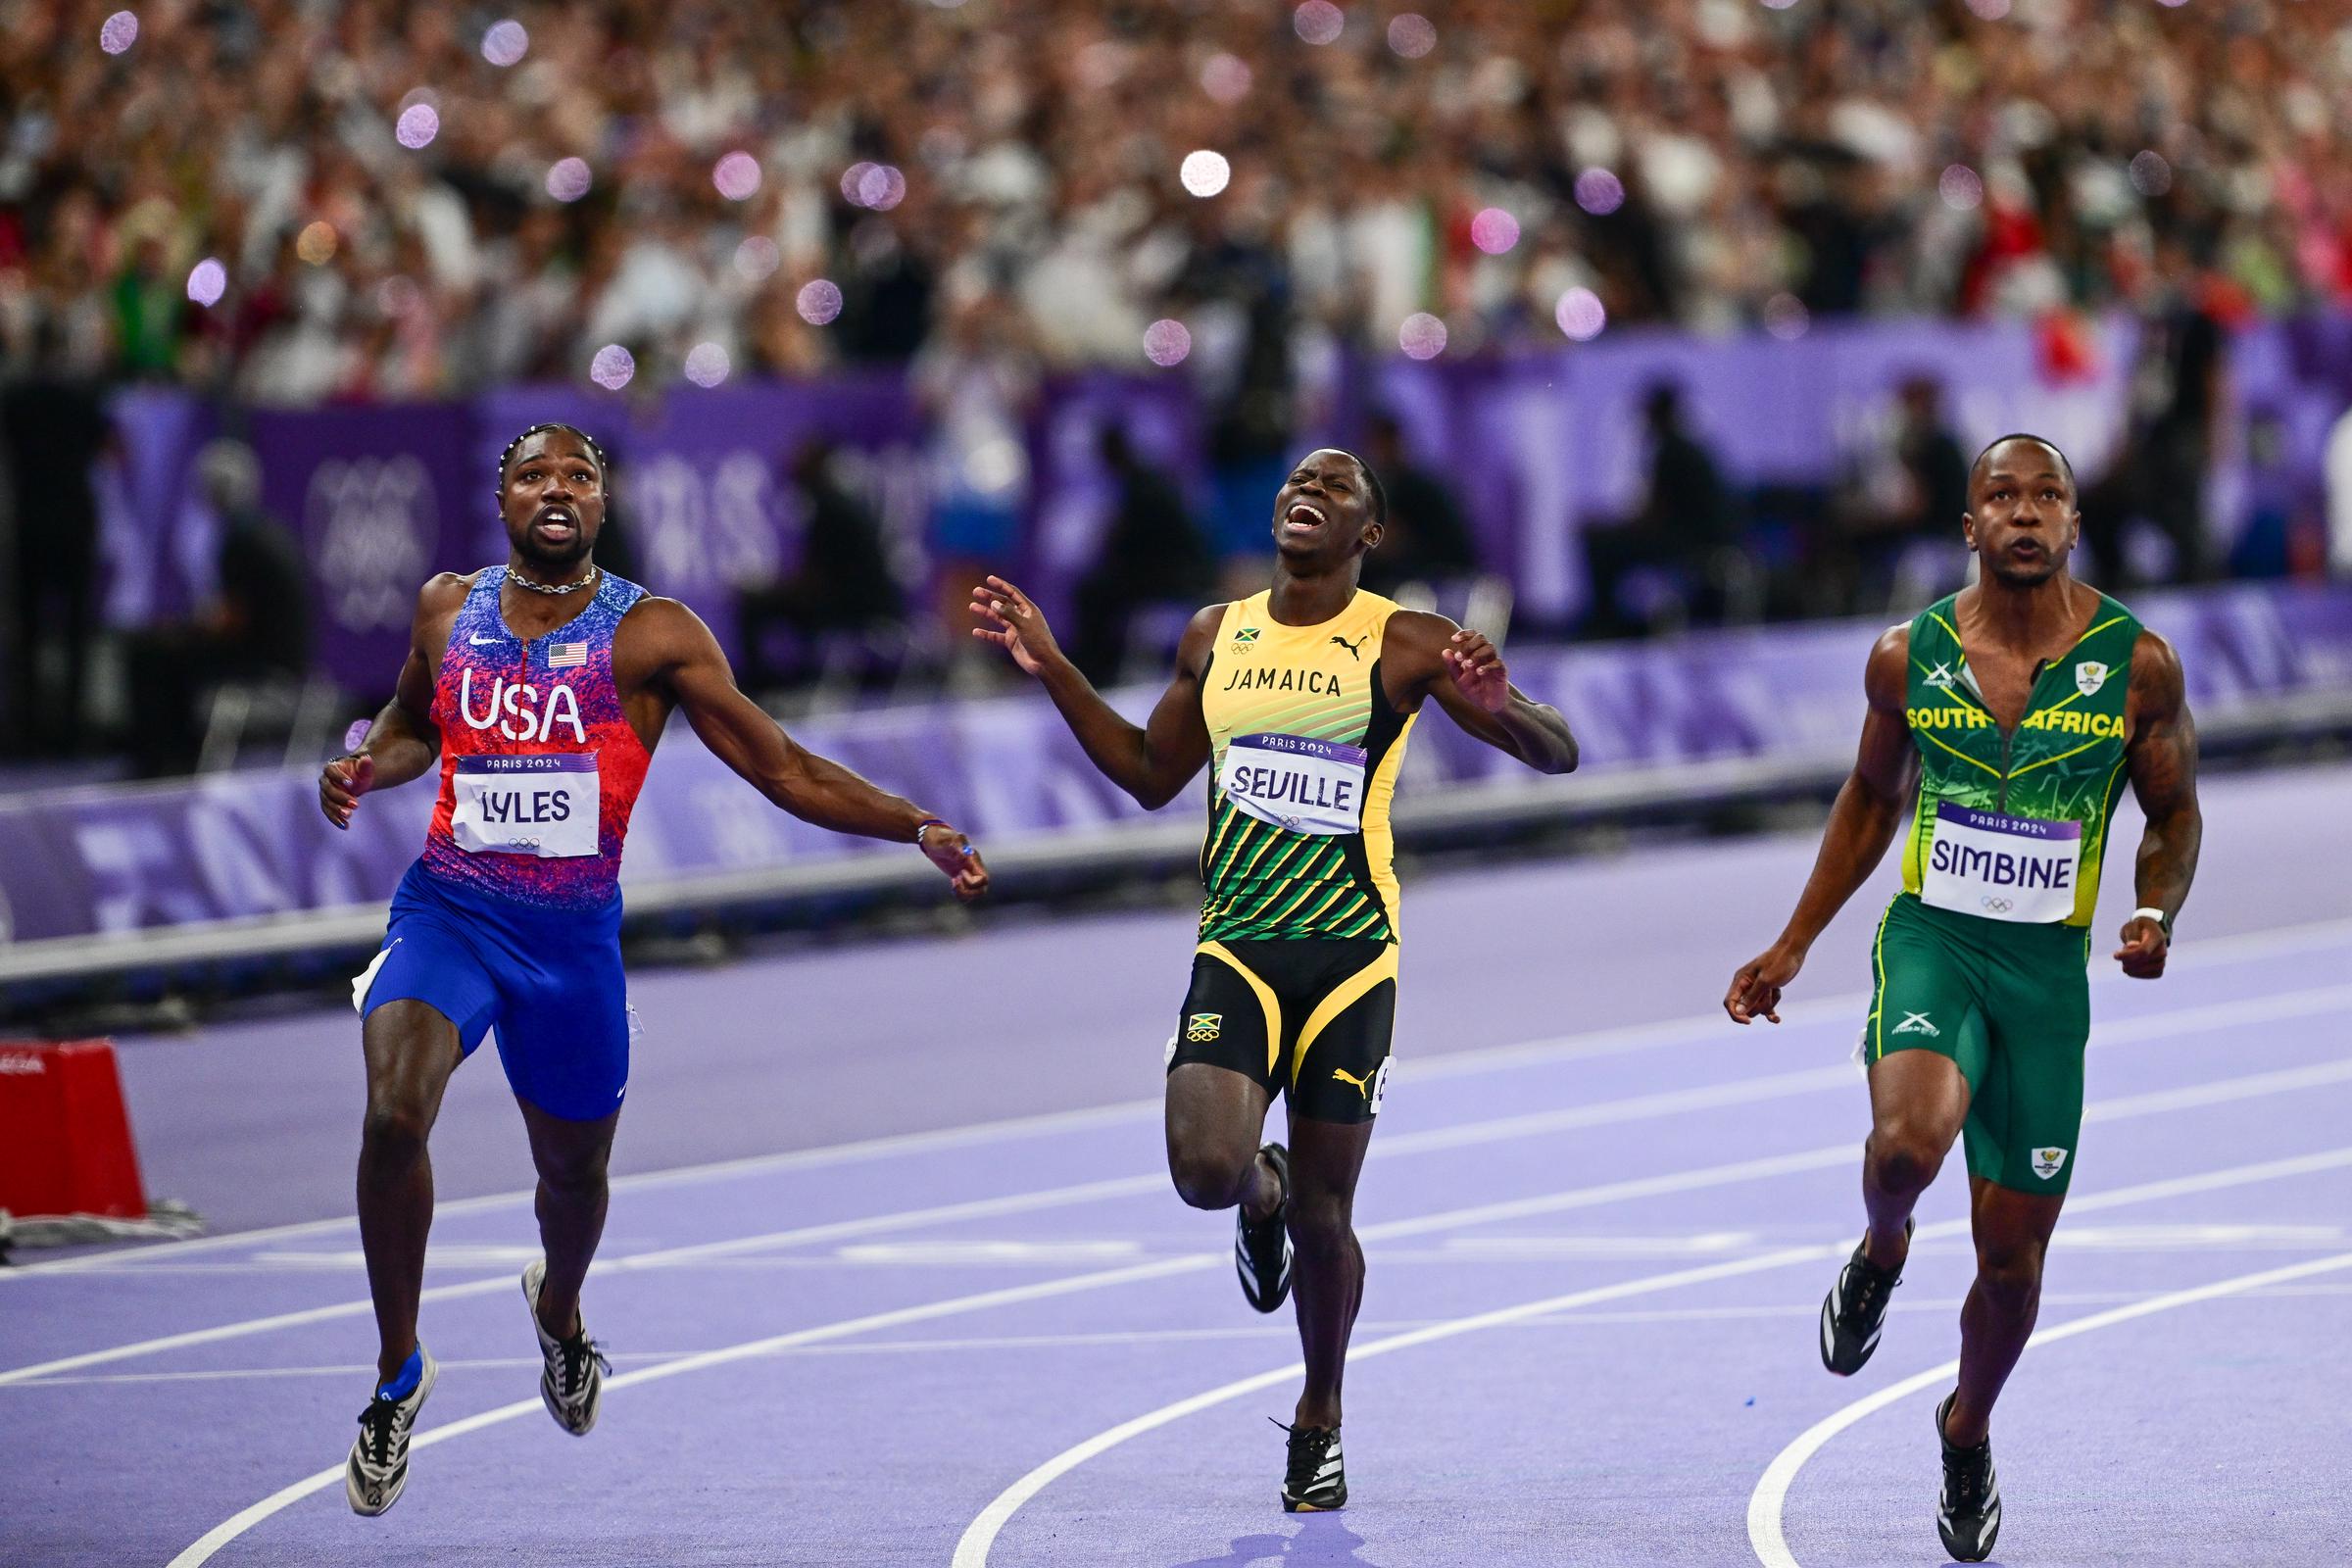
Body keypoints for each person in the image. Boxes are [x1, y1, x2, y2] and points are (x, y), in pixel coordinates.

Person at [319, 422, 989, 1518]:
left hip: (571, 944)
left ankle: (563, 1313)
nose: (556, 489)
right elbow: (410, 722)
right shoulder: (447, 606)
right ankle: (397, 1373)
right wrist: (362, 763)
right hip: (447, 908)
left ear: (602, 500)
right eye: (534, 473)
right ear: (502, 500)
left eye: (577, 475)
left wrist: (913, 824)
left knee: (572, 1182)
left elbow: (781, 765)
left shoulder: (652, 635)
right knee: (394, 1116)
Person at [970, 448, 1577, 1512]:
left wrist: (1505, 707)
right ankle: (1264, 1187)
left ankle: (1320, 1414)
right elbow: (1153, 776)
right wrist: (1057, 664)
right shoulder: (1218, 633)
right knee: (1207, 1170)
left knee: (1331, 1220)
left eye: (1339, 487)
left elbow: (1559, 752)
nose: (1311, 490)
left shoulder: (1406, 643)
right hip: (1239, 947)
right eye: (1300, 478)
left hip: (1349, 960)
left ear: (1368, 534)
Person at [1724, 434, 2201, 1561]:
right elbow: (1870, 797)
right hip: (1935, 939)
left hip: (2048, 975)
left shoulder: (2139, 666)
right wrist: (1793, 943)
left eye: (2048, 497)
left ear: (2074, 524)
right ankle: (1882, 1248)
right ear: (1970, 527)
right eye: (2003, 496)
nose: (2026, 513)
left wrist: (2155, 909)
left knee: (2011, 1265)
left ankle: (1965, 1428)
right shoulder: (1908, 656)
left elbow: (2173, 812)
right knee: (1906, 1146)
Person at [122, 439, 314, 777]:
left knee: (153, 658)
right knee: (172, 656)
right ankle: (176, 757)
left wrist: (184, 631)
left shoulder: (240, 541)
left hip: (264, 662)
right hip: (283, 654)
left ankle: (163, 763)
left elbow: (231, 622)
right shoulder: (265, 530)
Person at [734, 439, 906, 693]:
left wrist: (768, 590)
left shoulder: (830, 509)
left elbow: (818, 581)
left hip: (855, 606)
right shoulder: (840, 503)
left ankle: (762, 690)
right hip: (862, 599)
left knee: (754, 607)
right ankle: (787, 682)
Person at [1578, 382, 1739, 637]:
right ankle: (1616, 621)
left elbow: (1654, 517)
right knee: (1608, 541)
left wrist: (1609, 525)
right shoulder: (1687, 446)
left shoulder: (1671, 451)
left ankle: (1606, 624)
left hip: (1692, 542)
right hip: (1702, 537)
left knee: (1602, 546)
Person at [1065, 423, 1213, 685]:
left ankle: (1096, 674)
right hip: (1160, 571)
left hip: (1174, 577)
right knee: (1096, 590)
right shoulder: (1141, 480)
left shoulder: (1145, 488)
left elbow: (1136, 546)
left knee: (1096, 594)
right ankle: (1096, 668)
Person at [1355, 411, 1478, 598]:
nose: (1377, 452)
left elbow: (1394, 542)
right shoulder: (1381, 484)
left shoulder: (1418, 489)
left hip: (1436, 582)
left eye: (1381, 444)